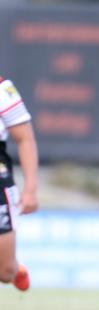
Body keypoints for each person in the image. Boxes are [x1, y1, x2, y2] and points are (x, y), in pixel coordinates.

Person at [0, 75, 38, 291]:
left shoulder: (2, 88)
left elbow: (24, 138)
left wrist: (30, 189)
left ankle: (15, 268)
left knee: (4, 272)